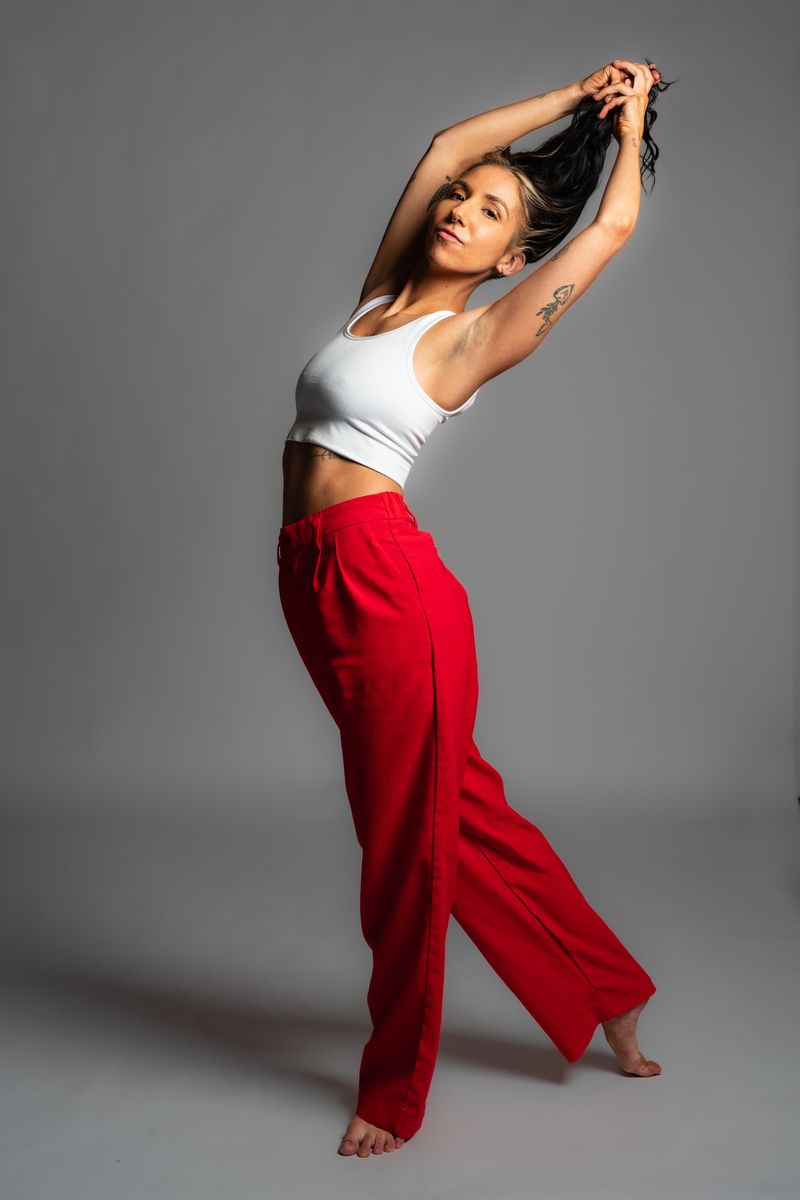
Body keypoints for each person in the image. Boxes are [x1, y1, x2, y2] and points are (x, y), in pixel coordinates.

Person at [277, 58, 673, 1158]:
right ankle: (610, 987)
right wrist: (570, 96)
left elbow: (605, 232)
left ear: (510, 257)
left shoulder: (474, 334)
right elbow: (446, 144)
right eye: (462, 200)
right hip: (313, 578)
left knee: (402, 840)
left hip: (386, 589)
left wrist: (628, 124)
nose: (459, 207)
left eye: (490, 211)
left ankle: (392, 1086)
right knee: (459, 813)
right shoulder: (379, 300)